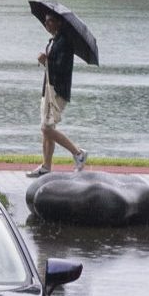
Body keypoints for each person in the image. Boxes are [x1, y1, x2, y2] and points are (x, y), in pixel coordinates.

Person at [29, 12, 88, 176]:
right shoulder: (54, 40)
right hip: (48, 90)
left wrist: (45, 61)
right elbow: (53, 65)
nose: (47, 24)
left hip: (58, 91)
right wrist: (47, 60)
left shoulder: (65, 42)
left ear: (59, 23)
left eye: (50, 21)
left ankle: (78, 153)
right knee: (47, 128)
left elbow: (61, 68)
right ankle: (46, 166)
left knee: (46, 129)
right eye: (45, 21)